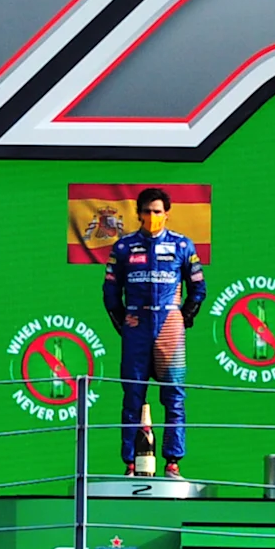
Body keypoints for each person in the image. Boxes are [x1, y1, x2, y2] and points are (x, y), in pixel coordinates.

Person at [103, 187, 204, 478]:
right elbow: (110, 291)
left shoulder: (183, 245)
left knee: (174, 398)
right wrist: (123, 322)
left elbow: (199, 287)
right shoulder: (123, 247)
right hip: (136, 327)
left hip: (169, 328)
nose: (152, 217)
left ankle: (173, 463)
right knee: (132, 398)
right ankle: (131, 464)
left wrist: (183, 317)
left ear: (167, 214)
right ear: (138, 214)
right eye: (146, 212)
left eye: (157, 211)